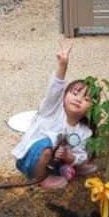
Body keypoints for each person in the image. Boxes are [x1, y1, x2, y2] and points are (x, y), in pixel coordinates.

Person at [11, 42, 98, 189]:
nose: (78, 99)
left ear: (91, 109)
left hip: (57, 160)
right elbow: (55, 89)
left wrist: (70, 158)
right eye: (75, 93)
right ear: (63, 98)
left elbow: (81, 152)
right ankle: (40, 177)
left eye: (86, 99)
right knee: (46, 147)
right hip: (31, 159)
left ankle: (71, 167)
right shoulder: (52, 111)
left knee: (78, 153)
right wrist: (62, 66)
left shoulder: (83, 130)